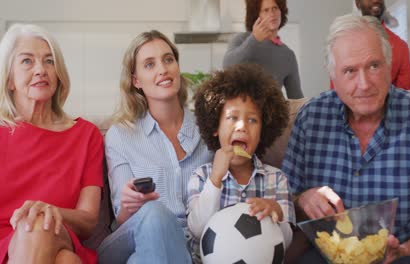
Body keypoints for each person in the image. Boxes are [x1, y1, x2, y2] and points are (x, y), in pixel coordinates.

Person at [282, 14, 410, 263]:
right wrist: (303, 198)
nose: (364, 84)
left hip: (403, 256)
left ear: (389, 65)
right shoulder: (310, 119)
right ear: (334, 76)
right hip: (329, 256)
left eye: (373, 66)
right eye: (350, 71)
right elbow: (284, 201)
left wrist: (405, 249)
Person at [97, 29, 212, 264]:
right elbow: (121, 218)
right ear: (136, 80)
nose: (163, 69)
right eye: (149, 64)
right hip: (132, 234)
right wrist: (130, 204)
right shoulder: (120, 135)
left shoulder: (208, 127)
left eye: (168, 59)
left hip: (192, 244)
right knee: (155, 212)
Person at [0, 24, 103, 263]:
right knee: (67, 261)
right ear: (10, 79)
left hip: (59, 233)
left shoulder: (86, 135)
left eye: (49, 61)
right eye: (27, 61)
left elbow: (87, 221)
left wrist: (51, 212)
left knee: (37, 223)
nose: (41, 70)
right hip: (6, 247)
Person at [188, 63, 295, 262]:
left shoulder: (276, 178)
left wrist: (277, 213)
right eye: (232, 117)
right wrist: (215, 180)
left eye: (252, 120)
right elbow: (197, 230)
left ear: (263, 131)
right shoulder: (202, 176)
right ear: (215, 128)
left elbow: (285, 242)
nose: (242, 126)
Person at [222, 0, 304, 99]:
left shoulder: (288, 55)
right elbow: (227, 65)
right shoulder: (241, 39)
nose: (272, 14)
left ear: (281, 11)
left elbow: (296, 98)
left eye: (275, 8)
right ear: (256, 16)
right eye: (266, 10)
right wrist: (254, 39)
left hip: (272, 113)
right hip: (242, 110)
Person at [355, 0, 410, 90]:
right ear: (357, 3)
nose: (376, 0)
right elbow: (335, 95)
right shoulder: (342, 44)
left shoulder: (401, 46)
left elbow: (406, 97)